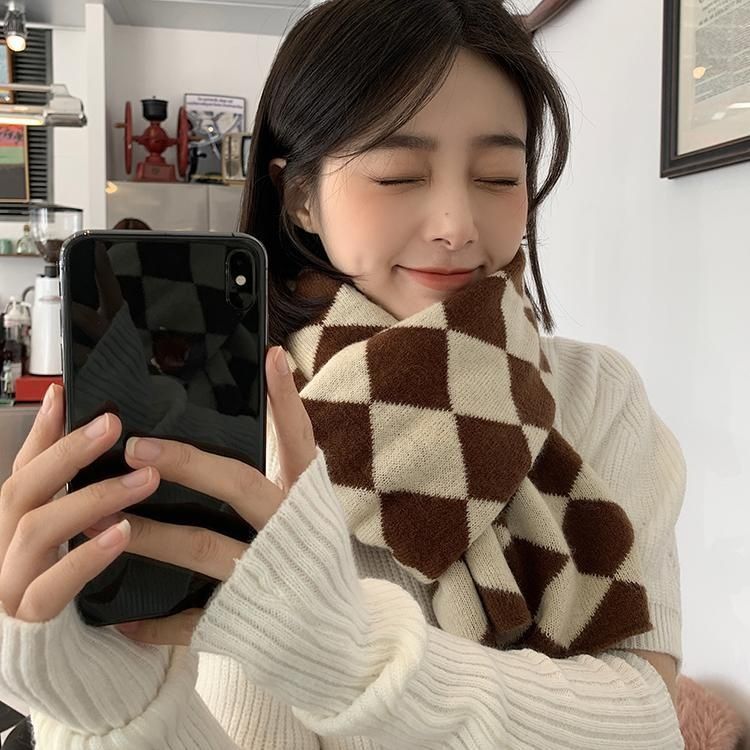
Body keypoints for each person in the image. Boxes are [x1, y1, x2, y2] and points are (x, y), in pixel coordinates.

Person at [0, 0, 687, 748]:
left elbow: (647, 721)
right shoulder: (220, 414)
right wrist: (111, 714)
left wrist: (350, 657)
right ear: (300, 197)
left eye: (498, 176)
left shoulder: (594, 395)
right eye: (399, 175)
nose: (457, 225)